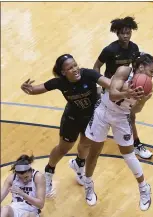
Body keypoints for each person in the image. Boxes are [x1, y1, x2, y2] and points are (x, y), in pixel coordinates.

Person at [20, 54, 110, 196]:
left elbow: (108, 83)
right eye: (70, 68)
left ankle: (79, 165)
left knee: (85, 145)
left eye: (75, 65)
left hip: (91, 118)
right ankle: (48, 173)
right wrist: (28, 89)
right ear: (63, 72)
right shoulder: (60, 82)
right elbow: (39, 88)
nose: (75, 69)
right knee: (63, 149)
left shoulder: (88, 74)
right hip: (72, 119)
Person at [84, 53, 153, 211]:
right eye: (151, 71)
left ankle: (144, 188)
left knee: (129, 155)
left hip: (122, 117)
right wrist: (128, 94)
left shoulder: (147, 87)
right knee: (94, 152)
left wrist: (142, 100)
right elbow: (113, 94)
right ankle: (88, 185)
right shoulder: (124, 71)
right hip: (103, 112)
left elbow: (135, 110)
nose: (152, 75)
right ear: (141, 67)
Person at [93, 16, 153, 159]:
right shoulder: (109, 50)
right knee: (104, 116)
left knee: (130, 116)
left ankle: (136, 144)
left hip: (126, 86)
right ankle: (91, 143)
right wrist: (100, 84)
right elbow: (96, 67)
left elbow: (136, 68)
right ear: (117, 33)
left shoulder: (134, 48)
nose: (125, 36)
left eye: (128, 32)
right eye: (122, 33)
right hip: (110, 86)